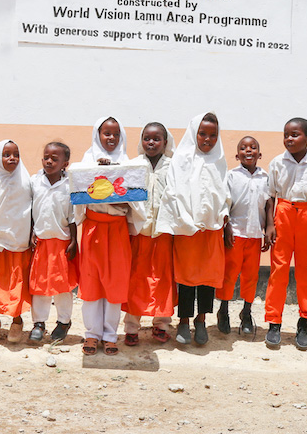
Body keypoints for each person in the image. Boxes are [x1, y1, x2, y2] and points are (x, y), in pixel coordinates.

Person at [157, 112, 230, 346]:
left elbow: (224, 194)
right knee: (187, 278)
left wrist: (223, 215)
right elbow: (173, 192)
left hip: (211, 230)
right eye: (202, 134)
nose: (207, 139)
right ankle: (185, 321)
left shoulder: (219, 160)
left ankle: (201, 320)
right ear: (193, 133)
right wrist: (186, 220)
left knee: (208, 277)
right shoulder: (181, 159)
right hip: (187, 229)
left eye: (212, 135)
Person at [77, 116, 143, 356]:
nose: (111, 138)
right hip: (94, 228)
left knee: (114, 283)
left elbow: (135, 200)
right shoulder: (86, 160)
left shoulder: (128, 163)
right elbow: (78, 191)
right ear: (98, 135)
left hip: (117, 230)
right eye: (106, 133)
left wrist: (116, 174)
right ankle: (92, 334)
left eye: (115, 134)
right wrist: (97, 170)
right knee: (92, 280)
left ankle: (110, 335)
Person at [265, 117, 307, 350]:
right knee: (279, 268)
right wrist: (270, 225)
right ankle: (274, 322)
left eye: (294, 135)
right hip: (282, 213)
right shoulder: (276, 163)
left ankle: (305, 322)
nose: (289, 139)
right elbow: (270, 196)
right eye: (286, 135)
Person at [122, 122, 176, 346]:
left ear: (165, 143)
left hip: (164, 233)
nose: (151, 143)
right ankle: (132, 326)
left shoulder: (174, 167)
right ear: (141, 141)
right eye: (147, 138)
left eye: (156, 139)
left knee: (163, 277)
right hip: (138, 232)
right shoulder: (133, 166)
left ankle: (161, 323)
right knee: (136, 278)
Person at [215, 136, 271, 336]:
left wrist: (269, 228)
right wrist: (226, 226)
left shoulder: (266, 176)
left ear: (259, 154)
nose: (249, 151)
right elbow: (224, 203)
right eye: (243, 148)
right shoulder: (231, 176)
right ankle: (223, 311)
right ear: (237, 154)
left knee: (251, 276)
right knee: (229, 274)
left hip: (255, 234)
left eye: (253, 147)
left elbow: (269, 203)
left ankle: (246, 312)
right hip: (236, 233)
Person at [0, 140, 33, 343]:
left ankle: (17, 321)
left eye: (16, 154)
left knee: (16, 282)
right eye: (6, 154)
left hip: (19, 240)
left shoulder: (26, 181)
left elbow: (33, 208)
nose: (12, 158)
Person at [28, 142, 78, 342]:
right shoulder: (34, 181)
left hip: (62, 242)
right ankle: (39, 322)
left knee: (62, 286)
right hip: (41, 241)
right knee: (39, 285)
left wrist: (74, 240)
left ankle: (63, 321)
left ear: (65, 163)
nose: (49, 161)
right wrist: (31, 230)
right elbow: (30, 209)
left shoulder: (69, 185)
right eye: (46, 157)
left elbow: (73, 216)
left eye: (55, 159)